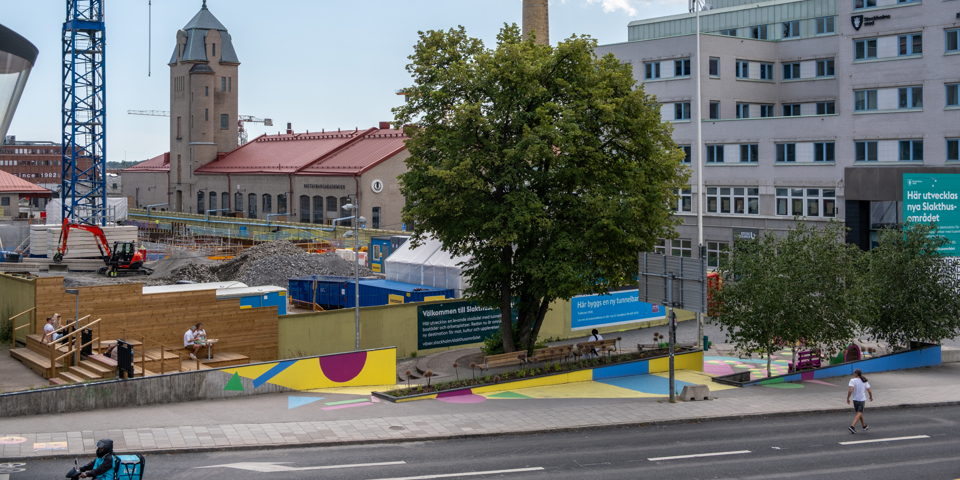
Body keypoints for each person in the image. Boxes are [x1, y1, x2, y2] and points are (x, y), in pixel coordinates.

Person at [846, 368, 873, 434]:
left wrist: (848, 398)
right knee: (859, 413)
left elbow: (851, 390)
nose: (853, 373)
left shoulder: (852, 380)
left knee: (859, 413)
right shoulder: (864, 381)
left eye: (854, 372)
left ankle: (864, 425)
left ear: (856, 373)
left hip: (855, 399)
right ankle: (852, 426)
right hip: (861, 399)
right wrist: (871, 397)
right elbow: (869, 390)